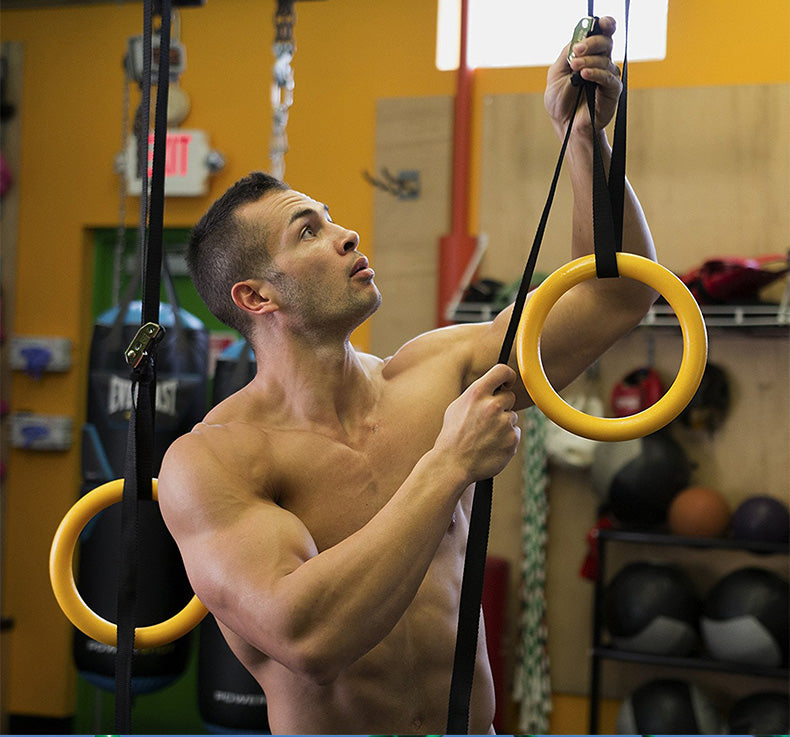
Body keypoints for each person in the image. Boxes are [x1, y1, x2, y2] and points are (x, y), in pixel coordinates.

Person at [158, 17, 656, 735]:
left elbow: (615, 295)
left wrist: (583, 140)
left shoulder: (437, 372)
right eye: (307, 230)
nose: (345, 234)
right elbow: (310, 638)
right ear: (256, 298)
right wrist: (447, 464)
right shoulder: (215, 459)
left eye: (330, 219)